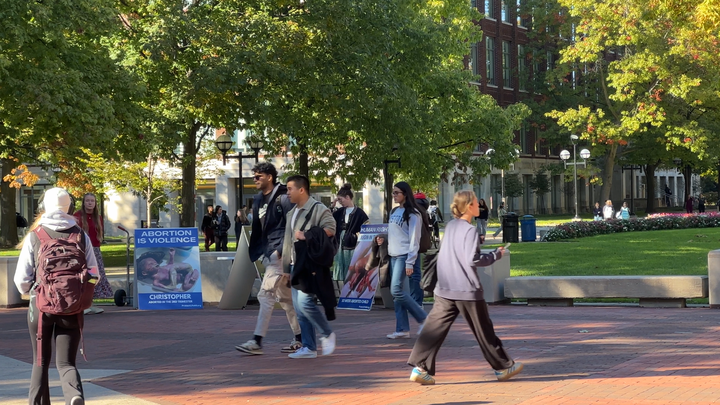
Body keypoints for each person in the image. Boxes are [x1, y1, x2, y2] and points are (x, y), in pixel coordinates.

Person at [407, 190, 522, 385]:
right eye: (477, 203)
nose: (480, 206)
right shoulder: (470, 230)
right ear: (469, 206)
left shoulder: (450, 226)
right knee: (484, 330)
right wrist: (496, 255)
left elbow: (453, 251)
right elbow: (472, 259)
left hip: (444, 287)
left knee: (433, 329)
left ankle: (420, 368)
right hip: (466, 289)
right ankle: (503, 367)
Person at [14, 187, 99, 405]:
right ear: (69, 206)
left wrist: (31, 291)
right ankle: (74, 396)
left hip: (41, 307)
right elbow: (94, 274)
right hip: (72, 306)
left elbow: (21, 280)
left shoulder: (36, 236)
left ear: (44, 207)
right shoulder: (80, 235)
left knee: (40, 361)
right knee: (67, 363)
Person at [236, 162, 301, 356]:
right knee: (286, 298)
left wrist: (281, 250)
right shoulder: (257, 200)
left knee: (265, 294)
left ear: (269, 177)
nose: (254, 180)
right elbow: (259, 229)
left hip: (279, 253)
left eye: (258, 177)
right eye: (254, 176)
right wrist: (260, 252)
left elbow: (294, 222)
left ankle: (257, 341)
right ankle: (301, 338)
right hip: (268, 253)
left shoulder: (283, 197)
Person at [282, 175, 338, 359]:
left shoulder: (318, 209)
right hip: (295, 265)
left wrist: (307, 235)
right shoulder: (291, 213)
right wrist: (285, 269)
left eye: (290, 188)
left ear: (301, 189)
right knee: (299, 308)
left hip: (310, 264)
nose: (287, 192)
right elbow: (288, 242)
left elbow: (331, 229)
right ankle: (309, 347)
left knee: (305, 303)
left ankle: (327, 332)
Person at [387, 182, 427, 339]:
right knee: (397, 294)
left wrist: (410, 261)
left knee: (395, 290)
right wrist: (382, 239)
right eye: (393, 193)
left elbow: (414, 239)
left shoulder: (413, 213)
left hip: (404, 255)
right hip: (393, 254)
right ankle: (402, 328)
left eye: (397, 193)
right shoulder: (395, 211)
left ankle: (423, 317)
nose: (394, 195)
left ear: (405, 194)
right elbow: (394, 232)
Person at [74, 193, 112, 315]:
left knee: (95, 276)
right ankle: (81, 305)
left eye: (92, 201)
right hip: (82, 250)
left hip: (95, 249)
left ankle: (90, 303)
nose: (90, 203)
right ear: (83, 202)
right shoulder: (77, 216)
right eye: (87, 201)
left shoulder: (98, 217)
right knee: (84, 276)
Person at [332, 183, 369, 294]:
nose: (340, 202)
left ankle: (352, 292)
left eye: (340, 199)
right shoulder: (338, 212)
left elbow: (366, 227)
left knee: (351, 267)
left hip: (352, 244)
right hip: (339, 243)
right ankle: (344, 292)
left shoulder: (359, 213)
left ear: (348, 197)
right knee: (340, 266)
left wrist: (357, 237)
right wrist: (332, 205)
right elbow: (327, 218)